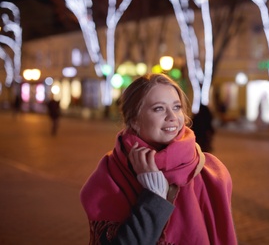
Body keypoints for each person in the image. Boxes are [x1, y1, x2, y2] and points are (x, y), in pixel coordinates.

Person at [80, 73, 237, 245]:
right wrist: (154, 197)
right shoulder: (110, 174)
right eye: (159, 108)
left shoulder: (211, 171)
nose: (172, 117)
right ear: (134, 120)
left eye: (176, 107)